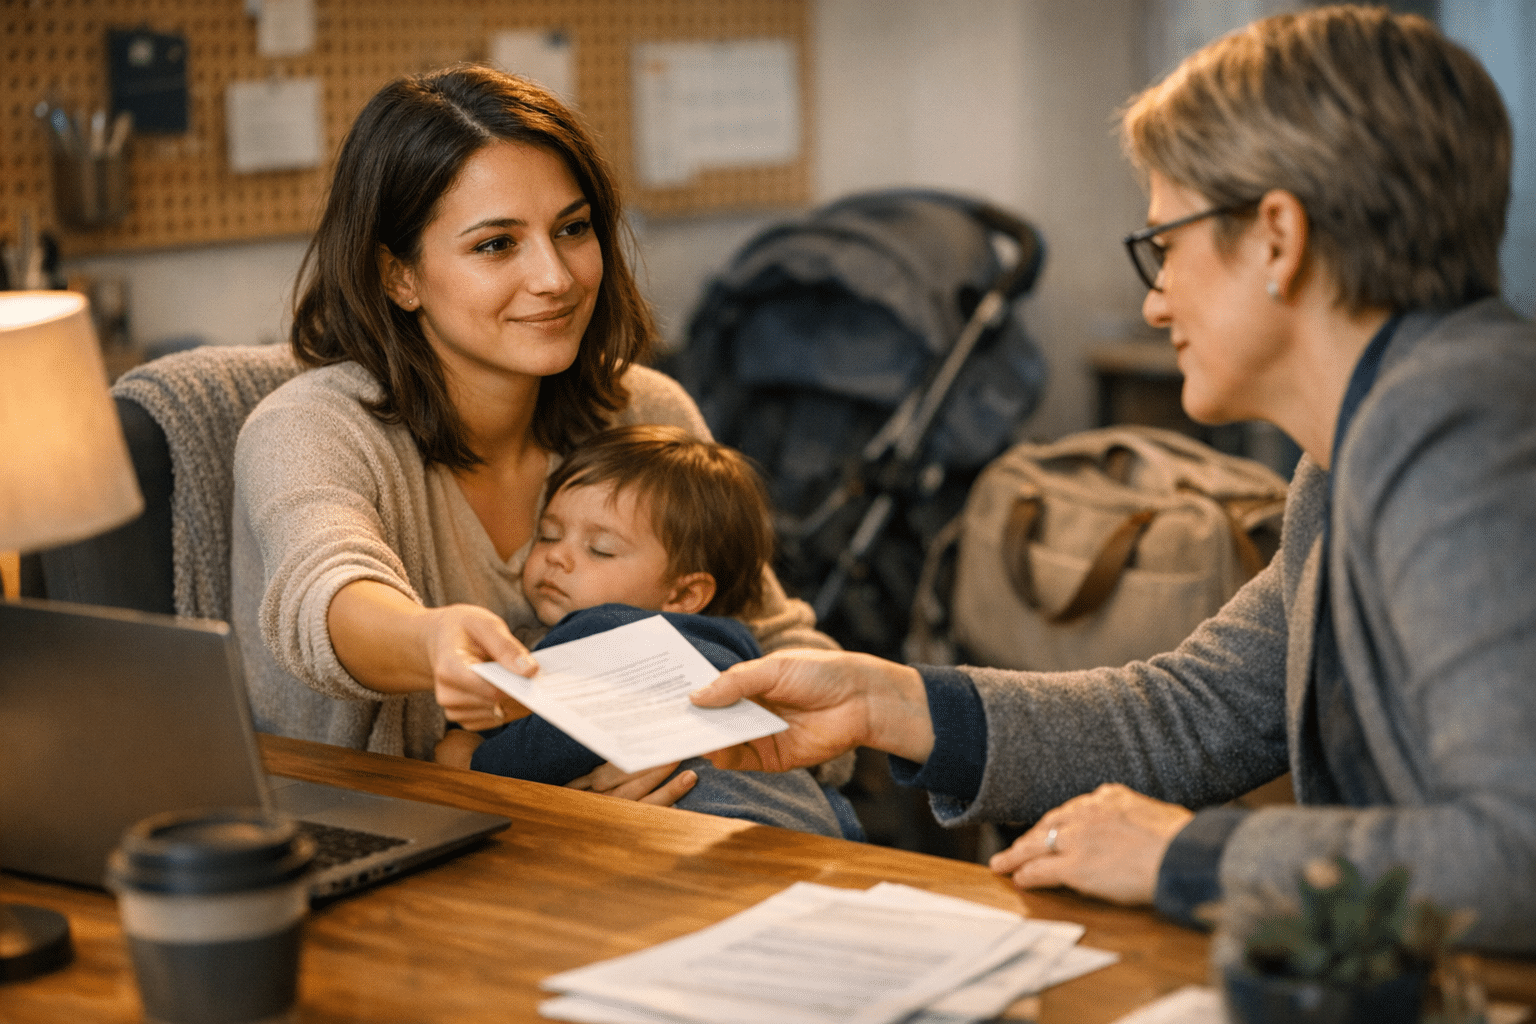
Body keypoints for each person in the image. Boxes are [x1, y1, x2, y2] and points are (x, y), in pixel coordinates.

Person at [690, 5, 1536, 953]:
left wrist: (1188, 857)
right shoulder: (1355, 449)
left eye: (1165, 243)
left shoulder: (1463, 432)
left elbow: (1518, 851)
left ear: (1277, 238)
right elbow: (1194, 714)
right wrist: (887, 704)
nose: (1153, 298)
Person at [230, 64, 838, 808]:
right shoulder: (309, 428)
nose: (556, 277)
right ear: (400, 277)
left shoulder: (646, 410)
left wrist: (711, 750)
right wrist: (433, 645)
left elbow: (773, 639)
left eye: (573, 229)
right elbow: (324, 591)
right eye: (496, 245)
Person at [438, 424, 861, 839]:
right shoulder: (734, 649)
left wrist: (471, 759)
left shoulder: (608, 631)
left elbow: (548, 750)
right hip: (816, 829)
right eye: (549, 535)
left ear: (684, 594)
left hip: (721, 836)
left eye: (600, 549)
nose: (558, 558)